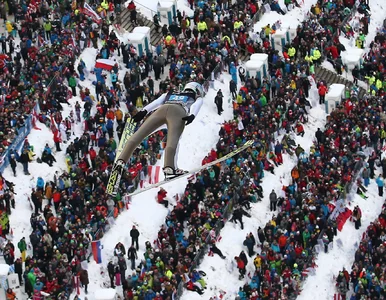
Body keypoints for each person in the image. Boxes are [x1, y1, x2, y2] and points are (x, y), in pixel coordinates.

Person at [108, 82, 204, 196]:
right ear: (197, 90)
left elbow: (158, 102)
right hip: (178, 112)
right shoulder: (195, 97)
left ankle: (121, 159)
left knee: (138, 135)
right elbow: (197, 104)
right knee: (173, 141)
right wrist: (192, 115)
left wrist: (143, 111)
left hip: (161, 110)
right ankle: (169, 168)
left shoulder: (170, 93)